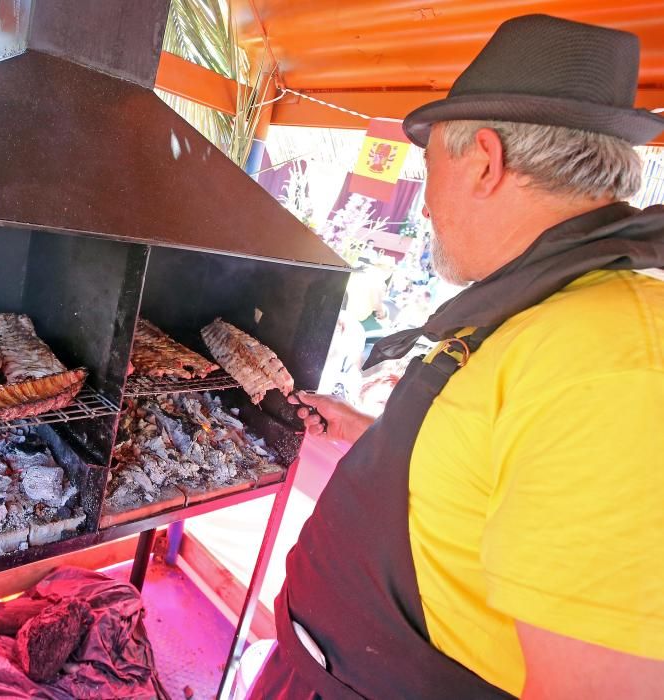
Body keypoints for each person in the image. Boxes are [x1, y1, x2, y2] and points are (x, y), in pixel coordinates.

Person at [251, 14, 664, 699]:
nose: (426, 206)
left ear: (483, 161)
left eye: (428, 167)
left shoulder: (614, 365)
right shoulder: (537, 308)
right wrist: (373, 437)